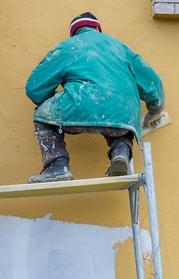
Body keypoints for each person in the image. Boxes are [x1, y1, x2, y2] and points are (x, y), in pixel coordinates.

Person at [25, 12, 165, 182]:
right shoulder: (120, 47)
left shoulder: (68, 47)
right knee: (121, 115)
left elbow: (34, 89)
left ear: (73, 32)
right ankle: (120, 151)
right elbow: (152, 83)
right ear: (97, 29)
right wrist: (154, 109)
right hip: (124, 112)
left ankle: (57, 165)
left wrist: (54, 97)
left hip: (81, 104)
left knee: (42, 114)